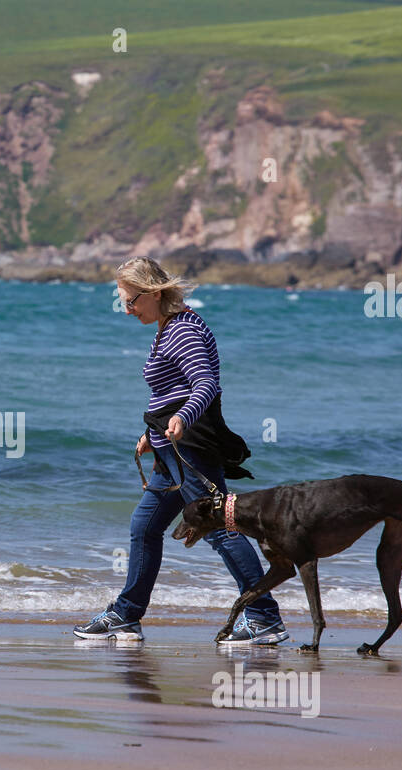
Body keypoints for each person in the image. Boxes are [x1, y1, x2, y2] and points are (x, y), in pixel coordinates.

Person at [73, 256, 289, 645]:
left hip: (189, 447)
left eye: (131, 300)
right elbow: (169, 392)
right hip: (169, 448)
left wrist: (183, 419)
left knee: (222, 529)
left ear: (154, 293)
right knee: (146, 527)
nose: (127, 309)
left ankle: (263, 617)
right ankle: (126, 615)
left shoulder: (183, 330)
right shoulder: (169, 327)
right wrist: (150, 431)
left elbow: (205, 384)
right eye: (123, 301)